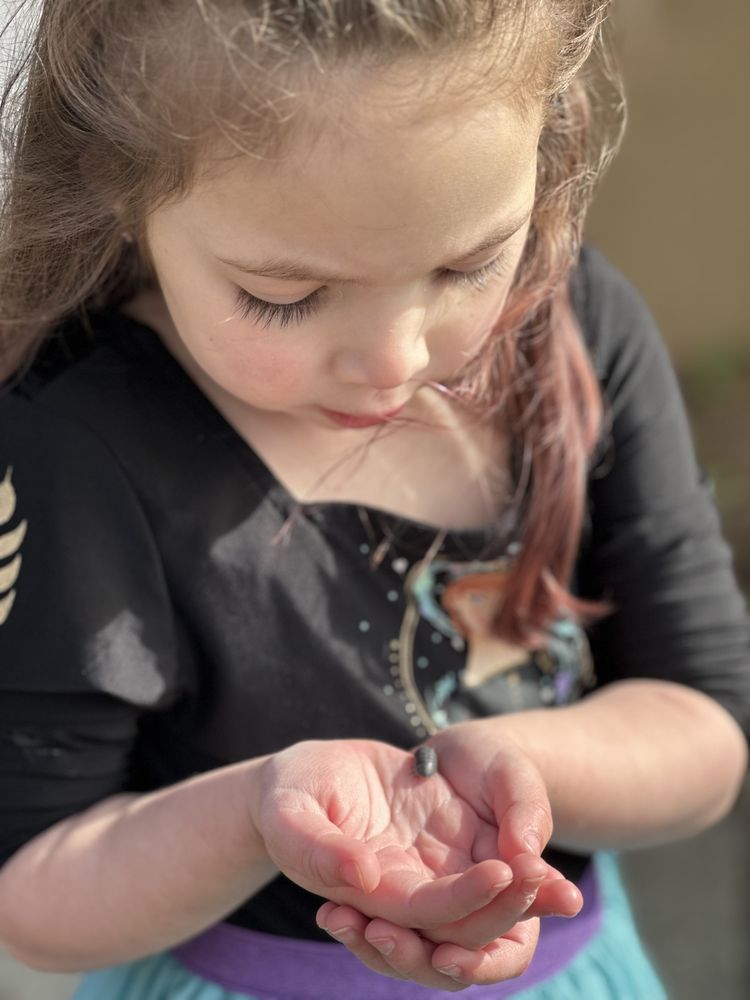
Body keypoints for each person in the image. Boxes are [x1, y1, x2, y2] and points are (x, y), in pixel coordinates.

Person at [0, 1, 748, 997]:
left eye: (469, 263)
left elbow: (705, 724)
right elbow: (37, 886)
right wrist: (261, 814)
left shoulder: (582, 328)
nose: (395, 360)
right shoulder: (73, 445)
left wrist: (498, 768)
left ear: (550, 132)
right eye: (286, 294)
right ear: (115, 182)